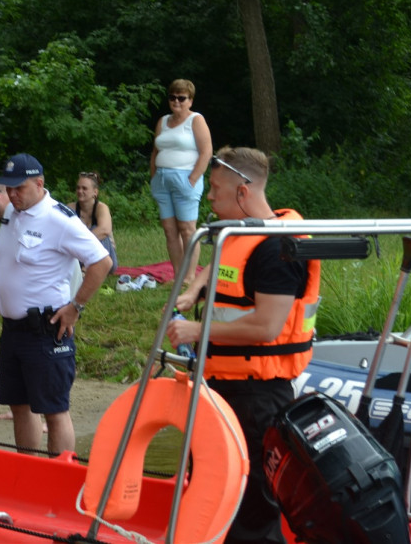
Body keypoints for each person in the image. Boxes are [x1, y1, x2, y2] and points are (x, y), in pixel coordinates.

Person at [166, 146, 318, 544]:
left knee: (251, 504)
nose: (209, 197)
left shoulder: (276, 248)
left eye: (215, 188)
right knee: (214, 488)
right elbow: (225, 263)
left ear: (242, 192)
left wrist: (198, 332)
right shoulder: (240, 232)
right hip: (223, 386)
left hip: (256, 396)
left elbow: (268, 326)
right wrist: (195, 290)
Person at [0, 153, 113, 456]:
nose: (12, 194)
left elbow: (101, 262)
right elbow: (11, 258)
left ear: (39, 183)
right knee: (20, 405)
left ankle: (59, 477)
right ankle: (28, 472)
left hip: (46, 330)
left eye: (18, 188)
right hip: (13, 330)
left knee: (54, 411)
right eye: (8, 189)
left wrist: (76, 307)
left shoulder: (58, 220)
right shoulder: (12, 214)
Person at [150, 79, 212, 285]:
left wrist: (193, 179)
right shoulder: (163, 121)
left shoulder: (196, 120)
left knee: (187, 228)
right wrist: (153, 175)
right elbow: (156, 151)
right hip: (162, 180)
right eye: (172, 97)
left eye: (181, 98)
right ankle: (177, 274)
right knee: (169, 229)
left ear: (190, 101)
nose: (176, 101)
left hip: (185, 178)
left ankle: (190, 275)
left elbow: (206, 152)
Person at [68, 171, 118, 273]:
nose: (80, 191)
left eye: (84, 188)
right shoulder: (70, 208)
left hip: (105, 256)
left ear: (95, 192)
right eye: (78, 188)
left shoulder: (101, 208)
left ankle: (89, 269)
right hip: (79, 254)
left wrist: (79, 241)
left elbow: (105, 230)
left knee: (98, 230)